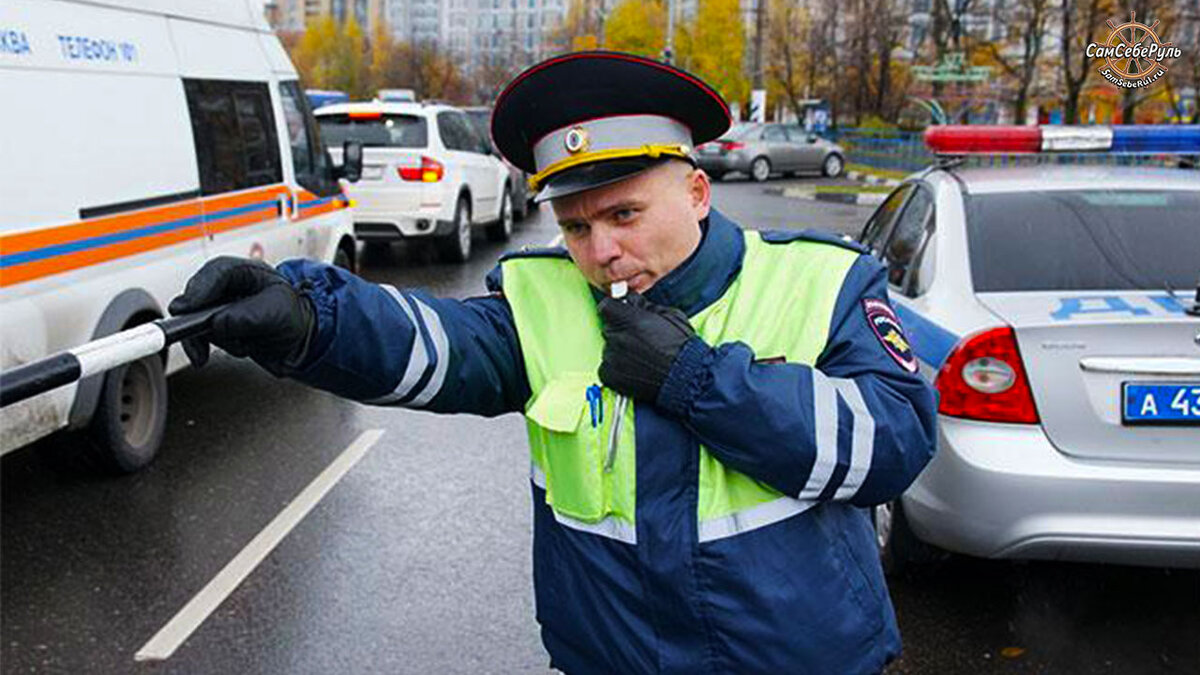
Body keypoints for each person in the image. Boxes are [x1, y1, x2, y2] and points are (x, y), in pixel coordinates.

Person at [170, 51, 938, 674]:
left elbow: (895, 443)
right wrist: (305, 316)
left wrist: (701, 382)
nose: (601, 253)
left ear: (698, 192)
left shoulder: (823, 281)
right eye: (575, 227)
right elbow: (434, 344)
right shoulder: (550, 299)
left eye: (624, 214)